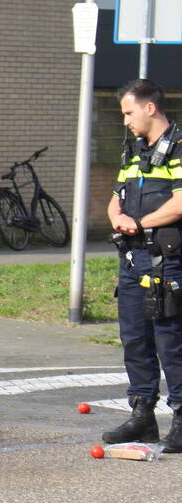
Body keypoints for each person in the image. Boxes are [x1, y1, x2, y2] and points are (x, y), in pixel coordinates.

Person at [103, 78, 182, 451]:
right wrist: (117, 216)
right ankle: (142, 414)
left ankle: (181, 418)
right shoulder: (134, 151)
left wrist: (140, 222)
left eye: (128, 112)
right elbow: (116, 198)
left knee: (171, 342)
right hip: (133, 260)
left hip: (167, 262)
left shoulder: (179, 147)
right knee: (135, 339)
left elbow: (181, 202)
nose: (125, 121)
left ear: (150, 108)